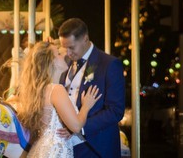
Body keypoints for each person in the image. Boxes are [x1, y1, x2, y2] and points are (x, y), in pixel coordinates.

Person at [14, 38, 100, 158]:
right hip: (55, 151)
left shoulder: (40, 91)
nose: (64, 54)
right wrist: (86, 106)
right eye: (58, 54)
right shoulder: (56, 90)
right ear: (51, 61)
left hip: (41, 149)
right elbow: (76, 126)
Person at [56, 17, 126, 158]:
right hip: (67, 147)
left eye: (71, 47)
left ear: (85, 39)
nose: (68, 53)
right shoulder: (65, 64)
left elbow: (116, 111)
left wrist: (78, 127)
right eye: (65, 48)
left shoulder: (109, 64)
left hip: (96, 147)